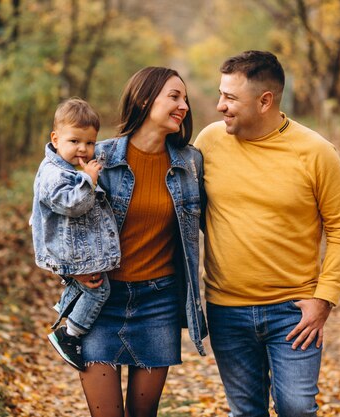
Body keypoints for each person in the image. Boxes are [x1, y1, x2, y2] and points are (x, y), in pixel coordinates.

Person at [193, 50, 340, 417]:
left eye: (231, 98)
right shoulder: (208, 142)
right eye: (221, 94)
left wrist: (324, 299)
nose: (220, 106)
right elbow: (191, 210)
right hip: (226, 309)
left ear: (265, 101)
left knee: (297, 409)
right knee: (246, 411)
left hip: (294, 311)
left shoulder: (316, 152)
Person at [74, 66, 207, 417]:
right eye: (174, 96)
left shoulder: (190, 164)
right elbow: (58, 220)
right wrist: (71, 271)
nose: (184, 106)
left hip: (158, 303)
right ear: (145, 98)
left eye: (185, 99)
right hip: (100, 301)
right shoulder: (98, 157)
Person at [30, 98, 121, 371]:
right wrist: (90, 180)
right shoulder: (54, 174)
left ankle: (66, 308)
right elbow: (73, 204)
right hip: (69, 253)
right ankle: (70, 335)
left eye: (90, 143)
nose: (83, 149)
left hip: (73, 249)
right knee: (99, 290)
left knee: (90, 286)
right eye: (74, 141)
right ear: (56, 139)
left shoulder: (67, 169)